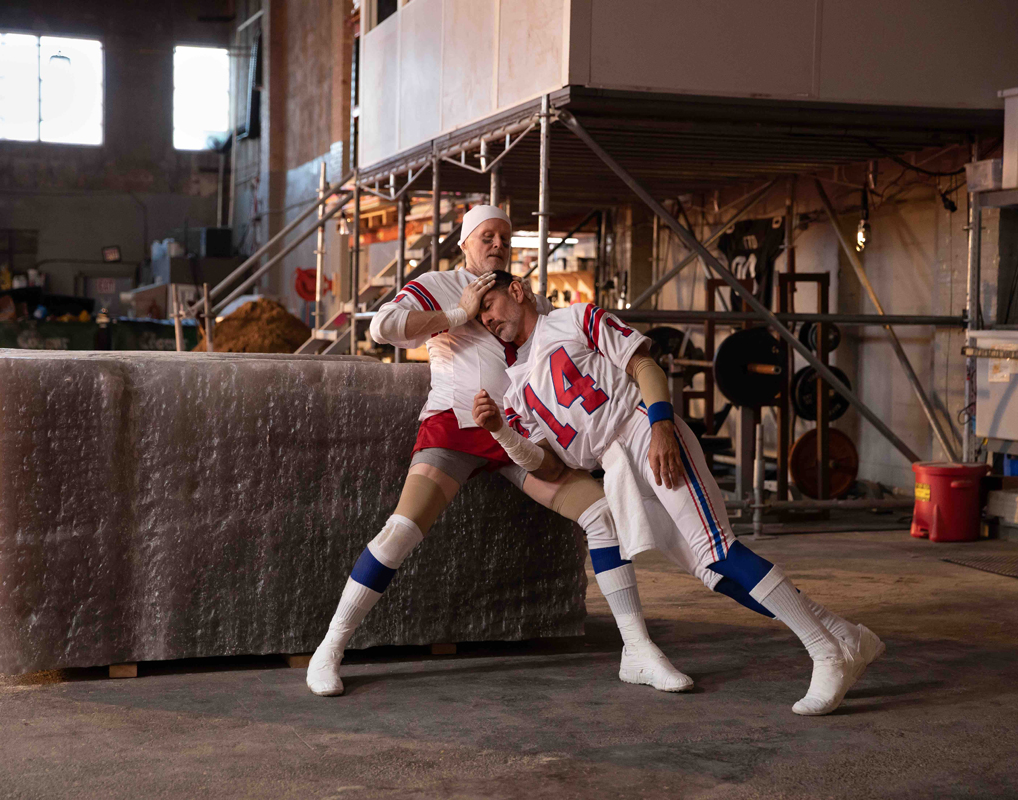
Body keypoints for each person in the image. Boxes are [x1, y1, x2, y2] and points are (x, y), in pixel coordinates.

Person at [306, 206, 691, 697]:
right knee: (401, 529)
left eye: (505, 238)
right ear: (464, 243)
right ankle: (330, 648)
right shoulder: (440, 283)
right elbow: (383, 327)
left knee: (601, 514)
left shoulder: (523, 296)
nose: (498, 244)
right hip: (455, 425)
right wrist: (458, 314)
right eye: (487, 236)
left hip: (520, 431)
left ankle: (637, 649)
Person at [472, 271, 884, 715]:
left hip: (642, 429)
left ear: (517, 291)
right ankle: (846, 636)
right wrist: (500, 432)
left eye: (488, 306)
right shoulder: (513, 389)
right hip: (614, 467)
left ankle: (827, 652)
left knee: (716, 548)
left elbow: (644, 365)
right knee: (712, 573)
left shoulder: (574, 318)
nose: (487, 320)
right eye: (480, 318)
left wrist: (661, 426)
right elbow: (553, 468)